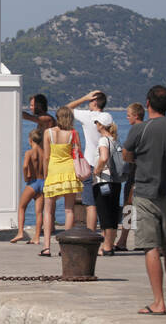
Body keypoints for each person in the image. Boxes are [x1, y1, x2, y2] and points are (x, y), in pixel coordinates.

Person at [122, 85, 166, 315]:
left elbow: (127, 155)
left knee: (150, 247)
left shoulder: (141, 130)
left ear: (147, 104)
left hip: (146, 193)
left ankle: (159, 302)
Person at [40, 106, 83, 257]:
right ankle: (64, 246)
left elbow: (46, 156)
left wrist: (46, 175)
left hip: (53, 171)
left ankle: (46, 247)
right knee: (69, 210)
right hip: (69, 172)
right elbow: (78, 153)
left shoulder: (48, 133)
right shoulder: (73, 133)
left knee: (48, 210)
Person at [68, 90, 112, 232]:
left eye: (89, 101)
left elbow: (66, 109)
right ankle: (107, 234)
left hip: (90, 163)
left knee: (90, 203)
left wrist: (83, 97)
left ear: (94, 102)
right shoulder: (107, 117)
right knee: (104, 201)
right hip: (105, 165)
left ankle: (91, 233)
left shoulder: (87, 116)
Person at [90, 113, 125, 256]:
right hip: (115, 182)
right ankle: (109, 245)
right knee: (112, 213)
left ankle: (107, 246)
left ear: (101, 125)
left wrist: (96, 171)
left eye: (96, 123)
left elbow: (104, 157)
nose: (95, 126)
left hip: (104, 181)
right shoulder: (115, 140)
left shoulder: (103, 140)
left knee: (104, 214)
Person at [115, 102, 146, 251]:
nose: (127, 118)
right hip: (149, 174)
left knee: (128, 208)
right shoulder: (149, 128)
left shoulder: (135, 130)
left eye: (128, 115)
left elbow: (127, 153)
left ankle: (123, 240)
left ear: (136, 115)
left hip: (135, 173)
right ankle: (143, 240)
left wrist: (129, 159)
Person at [12, 128, 46, 244]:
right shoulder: (44, 153)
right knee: (39, 212)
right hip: (42, 182)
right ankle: (36, 237)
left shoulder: (29, 153)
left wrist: (26, 177)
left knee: (22, 207)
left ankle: (20, 232)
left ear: (30, 140)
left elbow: (25, 166)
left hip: (33, 183)